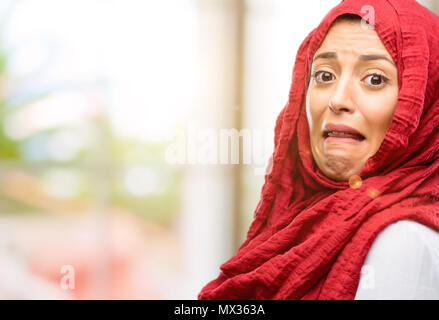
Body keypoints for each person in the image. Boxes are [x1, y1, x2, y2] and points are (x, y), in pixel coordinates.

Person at [198, 0, 439, 300]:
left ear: (425, 102)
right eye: (324, 75)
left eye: (374, 79)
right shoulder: (295, 228)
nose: (337, 99)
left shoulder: (404, 243)